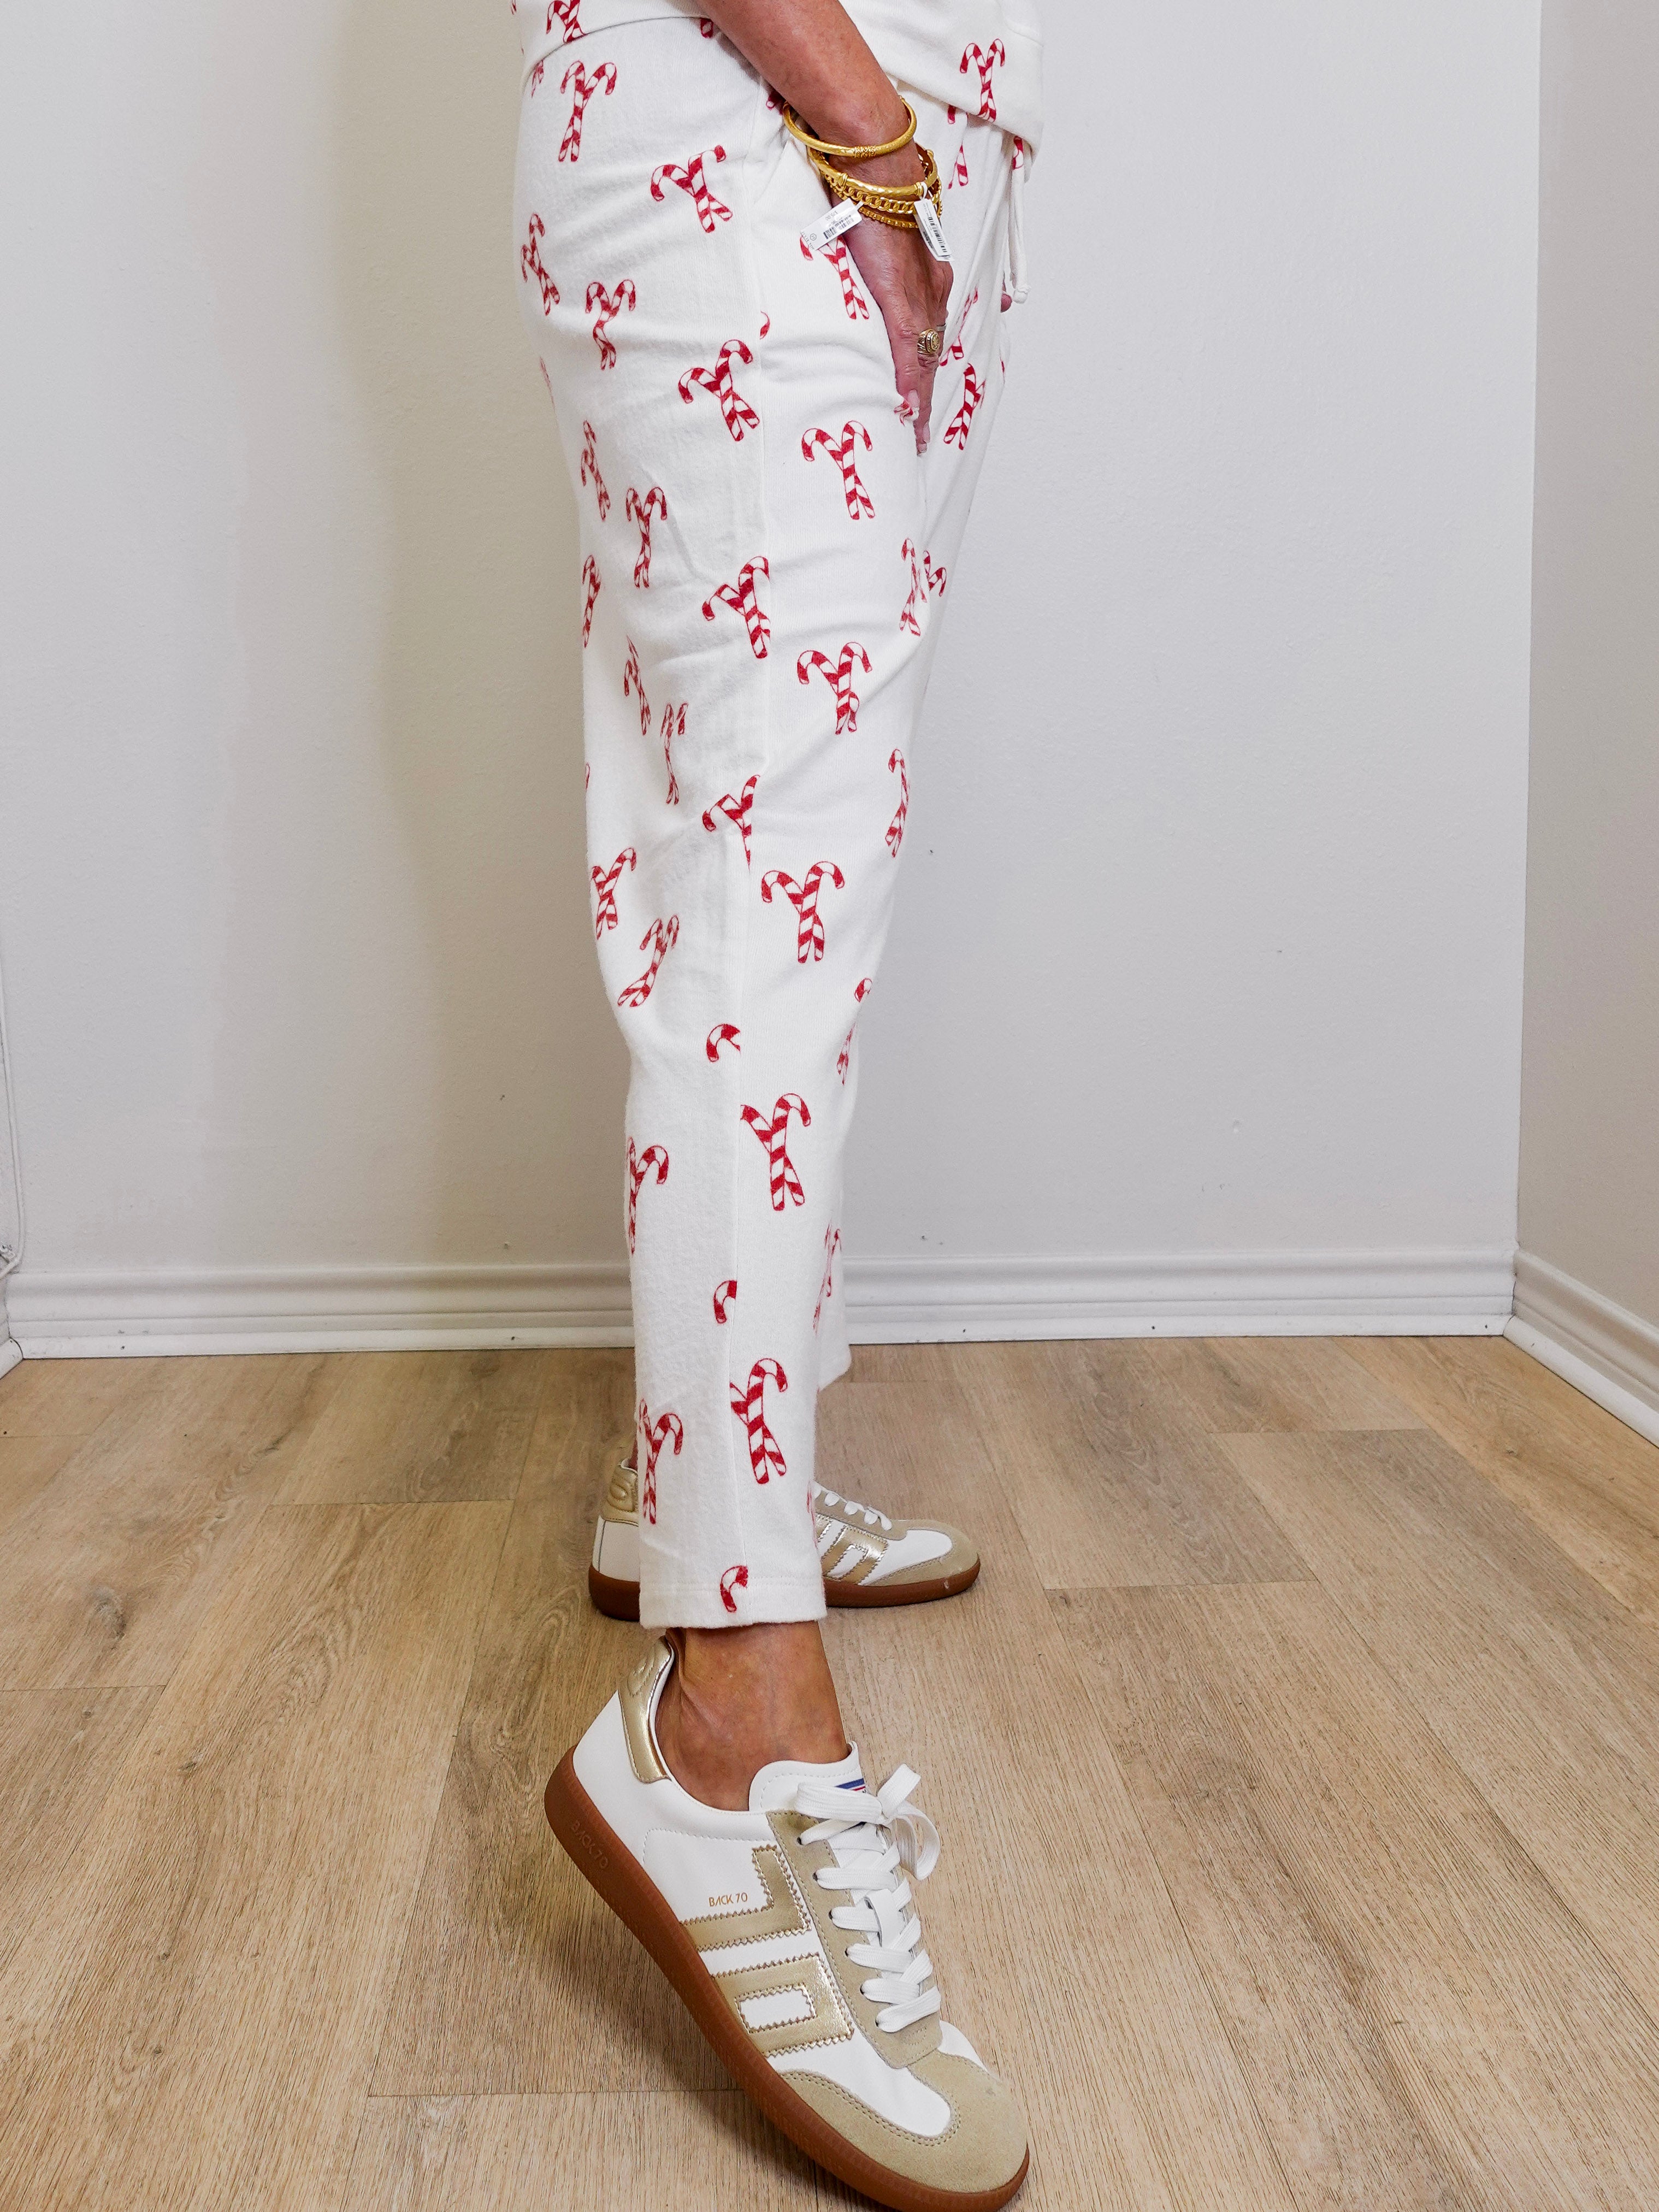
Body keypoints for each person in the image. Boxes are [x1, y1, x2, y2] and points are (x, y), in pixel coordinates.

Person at [512, 1, 1041, 2201]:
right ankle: (728, 1730)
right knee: (762, 929)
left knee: (737, 878)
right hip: (773, 146)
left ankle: (698, 1485)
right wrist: (868, 126)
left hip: (794, 151)